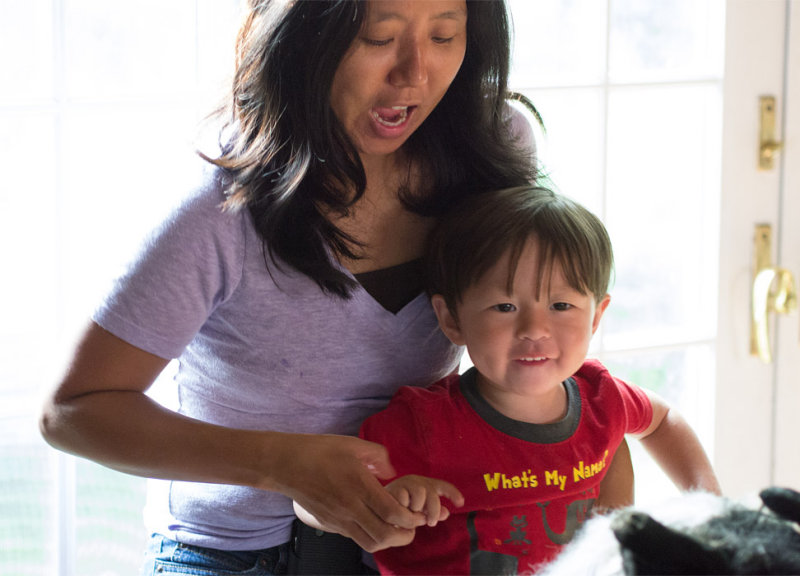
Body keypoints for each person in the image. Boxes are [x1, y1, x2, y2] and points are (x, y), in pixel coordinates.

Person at [37, 1, 632, 574]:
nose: (414, 74)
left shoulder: (494, 150)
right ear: (305, 37)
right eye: (378, 37)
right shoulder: (221, 209)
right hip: (239, 553)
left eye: (445, 36)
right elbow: (72, 412)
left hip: (428, 540)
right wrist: (283, 463)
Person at [314, 186, 721, 574]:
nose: (535, 328)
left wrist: (711, 509)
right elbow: (314, 500)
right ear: (451, 319)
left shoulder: (602, 399)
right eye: (505, 306)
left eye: (561, 305)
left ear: (596, 317)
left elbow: (663, 421)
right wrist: (390, 498)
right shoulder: (424, 425)